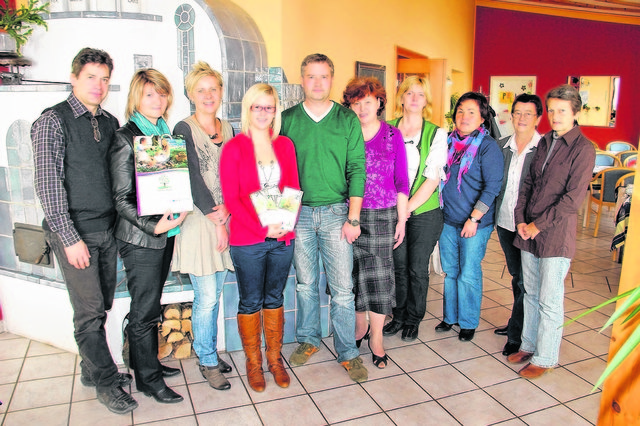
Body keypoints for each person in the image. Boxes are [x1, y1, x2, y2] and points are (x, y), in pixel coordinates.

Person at [31, 47, 138, 414]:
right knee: (89, 312)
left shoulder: (108, 122)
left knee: (103, 305)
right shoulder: (52, 121)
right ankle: (107, 383)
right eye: (91, 77)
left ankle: (91, 368)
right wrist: (69, 237)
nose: (99, 85)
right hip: (74, 231)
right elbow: (48, 186)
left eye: (105, 78)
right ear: (74, 78)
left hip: (107, 231)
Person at [281, 53, 368, 382]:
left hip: (336, 214)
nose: (317, 82)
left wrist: (354, 218)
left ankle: (348, 351)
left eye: (323, 76)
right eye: (310, 76)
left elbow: (357, 168)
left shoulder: (347, 120)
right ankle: (308, 339)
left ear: (332, 79)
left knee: (343, 289)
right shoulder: (287, 119)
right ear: (302, 80)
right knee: (305, 284)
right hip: (298, 213)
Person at [110, 69, 187, 404]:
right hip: (142, 238)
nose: (158, 100)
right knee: (144, 311)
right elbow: (121, 198)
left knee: (151, 306)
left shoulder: (164, 135)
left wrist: (179, 207)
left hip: (164, 232)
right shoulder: (125, 137)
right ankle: (149, 382)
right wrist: (153, 225)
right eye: (149, 95)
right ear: (136, 99)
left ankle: (147, 363)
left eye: (162, 93)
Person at [507, 85, 595, 378]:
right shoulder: (544, 141)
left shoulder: (583, 148)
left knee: (549, 299)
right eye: (553, 110)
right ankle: (529, 345)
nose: (556, 116)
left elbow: (572, 199)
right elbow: (527, 185)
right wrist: (521, 219)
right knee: (530, 292)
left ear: (575, 112)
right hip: (528, 232)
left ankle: (545, 357)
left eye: (562, 111)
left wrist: (537, 225)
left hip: (555, 235)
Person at [220, 83, 300, 391]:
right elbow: (232, 198)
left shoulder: (285, 145)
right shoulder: (234, 147)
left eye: (269, 107)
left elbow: (293, 188)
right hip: (248, 239)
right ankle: (253, 364)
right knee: (251, 300)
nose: (263, 113)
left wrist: (284, 225)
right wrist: (263, 228)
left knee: (275, 298)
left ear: (275, 111)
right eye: (257, 106)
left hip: (281, 238)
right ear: (248, 109)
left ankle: (274, 360)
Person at [172, 61, 235, 390]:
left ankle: (207, 351)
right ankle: (207, 360)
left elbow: (236, 174)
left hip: (228, 218)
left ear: (221, 92)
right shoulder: (183, 129)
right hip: (200, 223)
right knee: (207, 296)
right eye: (201, 90)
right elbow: (191, 178)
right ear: (190, 94)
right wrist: (217, 217)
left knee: (215, 292)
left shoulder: (231, 128)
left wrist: (230, 212)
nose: (208, 95)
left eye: (214, 88)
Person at [341, 77, 409, 368]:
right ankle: (359, 328)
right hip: (347, 217)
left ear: (380, 102)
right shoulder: (344, 135)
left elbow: (402, 182)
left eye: (367, 101)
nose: (362, 108)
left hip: (382, 215)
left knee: (379, 283)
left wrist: (401, 220)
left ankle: (376, 337)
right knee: (352, 278)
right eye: (355, 103)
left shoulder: (392, 136)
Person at [382, 76, 448, 342]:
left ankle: (413, 318)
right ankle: (397, 315)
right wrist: (396, 210)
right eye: (409, 93)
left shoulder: (436, 132)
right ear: (401, 97)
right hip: (393, 210)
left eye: (420, 94)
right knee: (397, 266)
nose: (414, 98)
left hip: (424, 212)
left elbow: (432, 179)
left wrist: (405, 209)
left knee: (416, 268)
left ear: (426, 100)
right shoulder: (386, 129)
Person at [435, 92, 503, 342]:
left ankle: (468, 321)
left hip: (475, 223)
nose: (464, 116)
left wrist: (474, 219)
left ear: (483, 117)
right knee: (450, 271)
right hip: (448, 219)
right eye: (461, 110)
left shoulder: (488, 147)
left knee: (468, 272)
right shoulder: (447, 142)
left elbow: (492, 187)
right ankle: (450, 317)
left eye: (472, 112)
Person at [493, 94, 542, 357]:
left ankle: (517, 334)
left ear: (538, 118)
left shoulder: (545, 148)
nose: (521, 118)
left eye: (528, 113)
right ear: (510, 115)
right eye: (517, 113)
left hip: (529, 226)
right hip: (504, 222)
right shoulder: (501, 145)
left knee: (526, 281)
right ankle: (518, 321)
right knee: (516, 277)